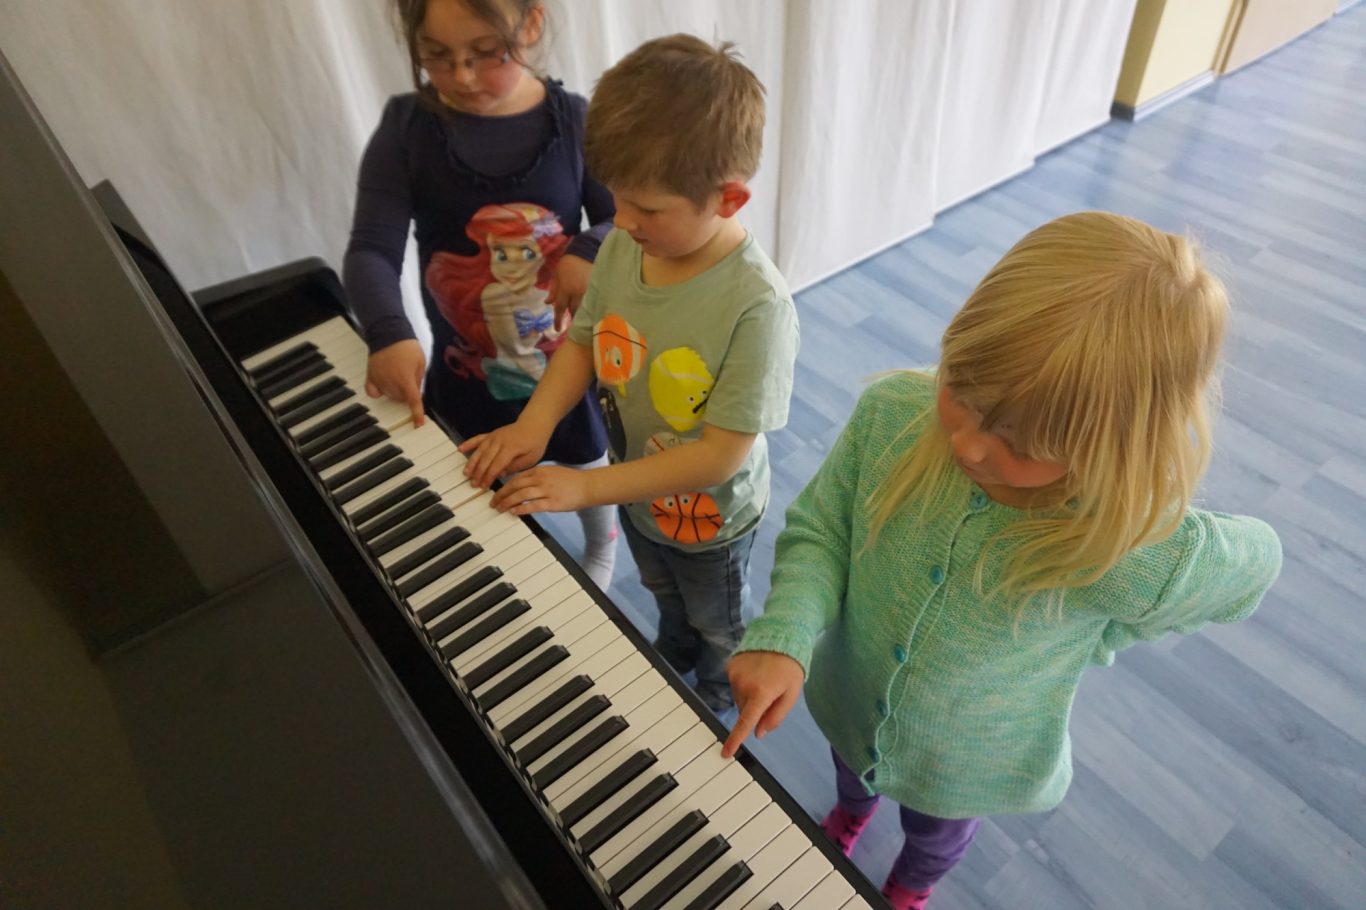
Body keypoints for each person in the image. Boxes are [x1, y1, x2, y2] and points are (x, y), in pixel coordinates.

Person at [721, 212, 1282, 909]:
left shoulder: (1123, 548)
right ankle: (851, 816)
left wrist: (1135, 577)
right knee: (849, 776)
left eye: (1021, 443)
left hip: (965, 767)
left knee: (935, 838)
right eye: (962, 392)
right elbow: (822, 531)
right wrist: (786, 631)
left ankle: (910, 887)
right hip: (847, 695)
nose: (971, 445)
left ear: (1110, 451)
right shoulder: (893, 413)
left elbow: (1259, 562)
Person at [459, 35, 799, 720]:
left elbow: (718, 457)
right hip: (637, 492)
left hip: (711, 523)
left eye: (647, 207)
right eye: (617, 195)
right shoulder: (622, 245)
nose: (623, 218)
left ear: (729, 198)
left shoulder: (757, 306)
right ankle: (674, 650)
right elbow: (584, 339)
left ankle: (712, 692)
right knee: (663, 594)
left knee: (718, 622)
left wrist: (586, 487)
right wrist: (533, 425)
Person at [342, 0, 618, 588]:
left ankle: (602, 542)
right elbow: (371, 249)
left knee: (587, 460)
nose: (462, 76)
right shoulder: (406, 130)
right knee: (488, 490)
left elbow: (625, 219)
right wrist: (388, 332)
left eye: (486, 54)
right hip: (468, 378)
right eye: (436, 56)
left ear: (532, 24)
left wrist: (589, 246)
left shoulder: (575, 121)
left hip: (568, 370)